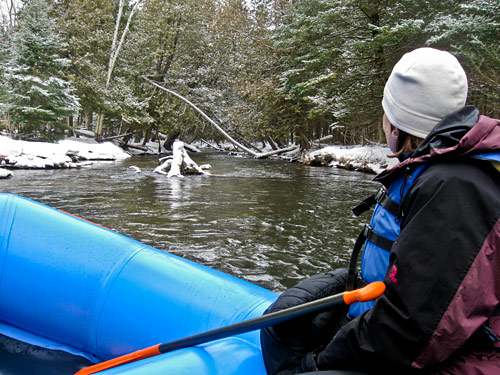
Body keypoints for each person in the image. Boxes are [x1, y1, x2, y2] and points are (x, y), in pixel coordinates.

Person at [261, 47, 500, 374]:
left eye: (387, 112)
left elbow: (410, 329)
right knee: (280, 327)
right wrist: (351, 283)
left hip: (461, 356)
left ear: (399, 126)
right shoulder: (437, 170)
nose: (383, 121)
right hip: (414, 329)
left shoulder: (455, 188)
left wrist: (320, 362)